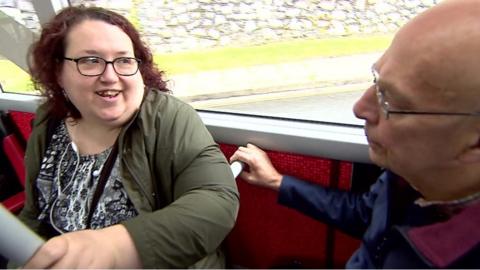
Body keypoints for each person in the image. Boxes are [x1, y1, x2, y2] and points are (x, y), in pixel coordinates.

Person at [230, 0, 480, 268]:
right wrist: (277, 182)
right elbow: (365, 215)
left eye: (392, 101)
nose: (360, 108)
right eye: (377, 82)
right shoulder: (408, 173)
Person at [11, 5, 239, 269]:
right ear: (58, 71)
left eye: (124, 60)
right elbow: (34, 211)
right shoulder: (48, 122)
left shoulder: (168, 117)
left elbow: (216, 200)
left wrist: (116, 246)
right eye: (91, 61)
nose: (110, 76)